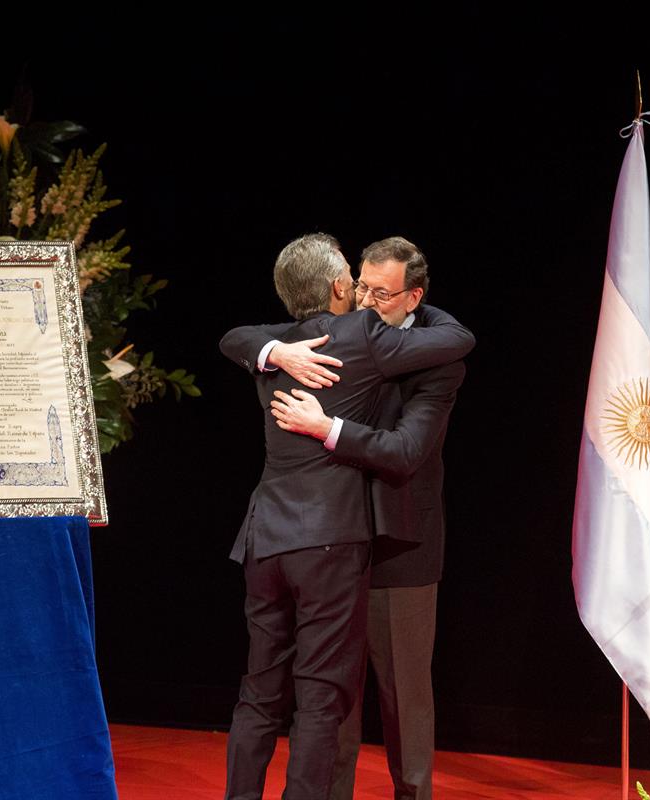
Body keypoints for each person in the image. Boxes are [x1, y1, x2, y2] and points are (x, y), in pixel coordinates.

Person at [219, 234, 474, 800]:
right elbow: (240, 337)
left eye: (382, 292)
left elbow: (407, 452)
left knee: (402, 697)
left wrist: (327, 429)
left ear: (414, 298)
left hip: (396, 542)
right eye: (361, 286)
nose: (366, 299)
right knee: (331, 698)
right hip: (331, 539)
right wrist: (277, 352)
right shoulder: (328, 337)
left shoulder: (437, 362)